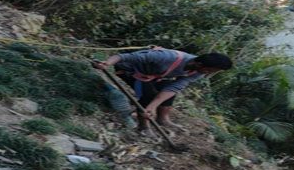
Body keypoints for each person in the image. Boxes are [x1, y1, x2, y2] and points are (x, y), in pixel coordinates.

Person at [92, 48, 232, 132]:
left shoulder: (198, 72)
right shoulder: (167, 57)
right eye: (209, 70)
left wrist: (154, 107)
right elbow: (125, 56)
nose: (208, 73)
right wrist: (107, 63)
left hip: (153, 75)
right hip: (129, 69)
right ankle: (144, 126)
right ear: (199, 63)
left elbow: (174, 87)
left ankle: (162, 119)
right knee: (148, 96)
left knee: (168, 91)